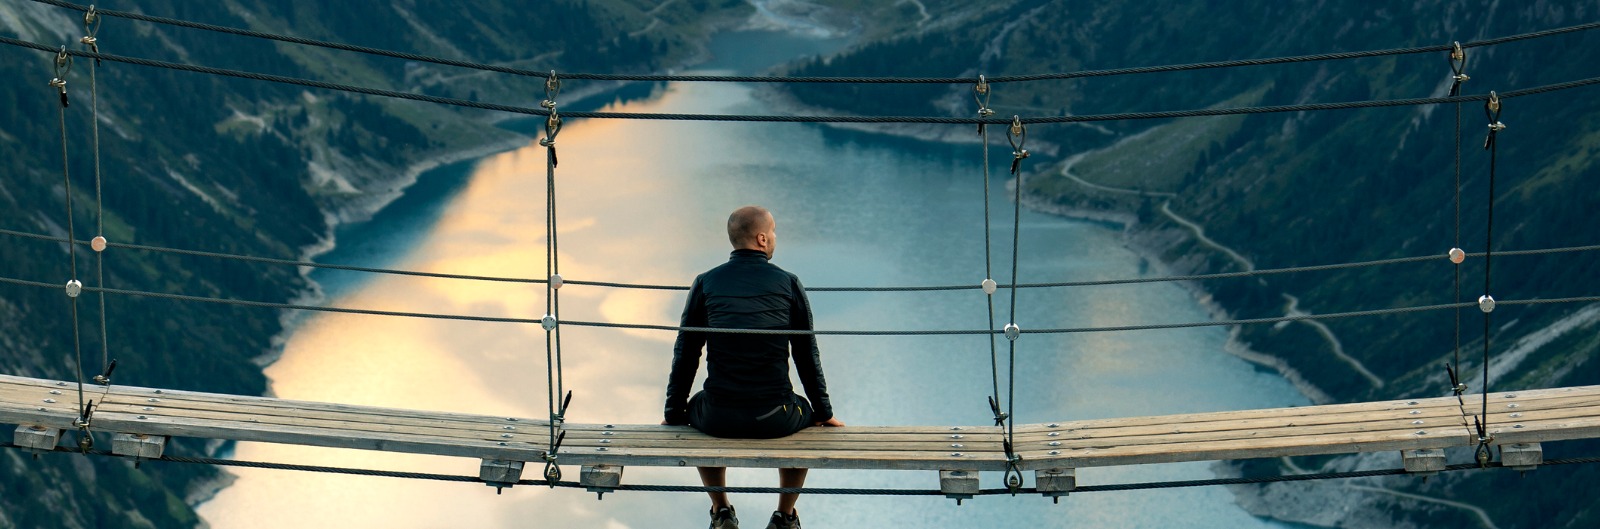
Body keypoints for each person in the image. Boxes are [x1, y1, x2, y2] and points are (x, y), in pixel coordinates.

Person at [664, 205, 845, 529]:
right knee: (808, 418)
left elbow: (686, 352)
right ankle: (786, 516)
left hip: (718, 416)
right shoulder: (789, 283)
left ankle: (721, 511)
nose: (775, 238)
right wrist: (823, 411)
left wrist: (673, 411)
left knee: (695, 410)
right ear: (762, 238)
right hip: (775, 416)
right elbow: (806, 354)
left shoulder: (705, 282)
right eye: (773, 232)